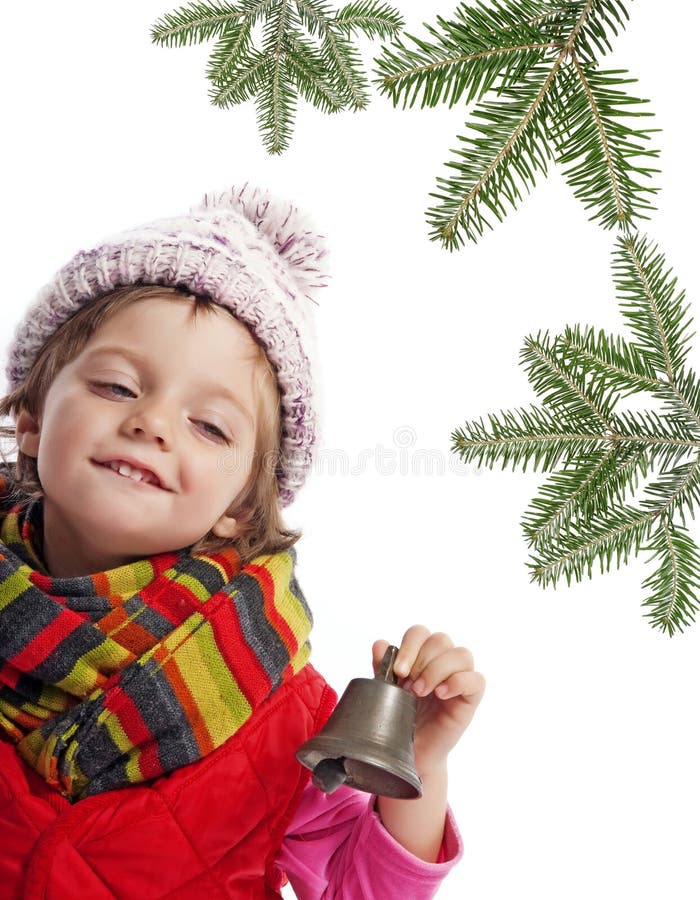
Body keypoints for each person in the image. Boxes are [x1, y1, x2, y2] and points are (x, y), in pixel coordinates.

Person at [0, 184, 485, 898]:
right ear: (35, 421)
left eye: (210, 426)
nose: (154, 423)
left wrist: (415, 766)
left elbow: (358, 889)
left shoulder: (287, 718)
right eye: (114, 386)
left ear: (240, 506)